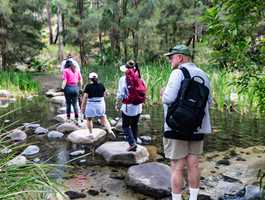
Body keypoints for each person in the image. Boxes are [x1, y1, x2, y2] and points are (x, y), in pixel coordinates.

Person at [162, 44, 211, 200]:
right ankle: (193, 198)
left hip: (176, 127)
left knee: (177, 167)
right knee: (194, 164)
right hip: (197, 126)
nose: (170, 60)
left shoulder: (178, 73)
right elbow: (208, 102)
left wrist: (162, 94)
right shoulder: (203, 74)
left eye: (171, 57)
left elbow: (169, 99)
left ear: (180, 57)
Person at [115, 60, 144, 151]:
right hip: (138, 106)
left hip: (128, 106)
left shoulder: (122, 79)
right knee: (134, 125)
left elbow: (120, 94)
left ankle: (132, 144)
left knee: (125, 126)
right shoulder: (139, 77)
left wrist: (117, 104)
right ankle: (134, 141)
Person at [81, 72, 115, 139]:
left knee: (89, 119)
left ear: (90, 79)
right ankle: (110, 130)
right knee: (103, 118)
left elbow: (85, 97)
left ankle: (91, 134)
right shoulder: (101, 85)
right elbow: (106, 94)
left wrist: (82, 106)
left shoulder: (88, 86)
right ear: (97, 78)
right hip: (100, 104)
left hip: (91, 104)